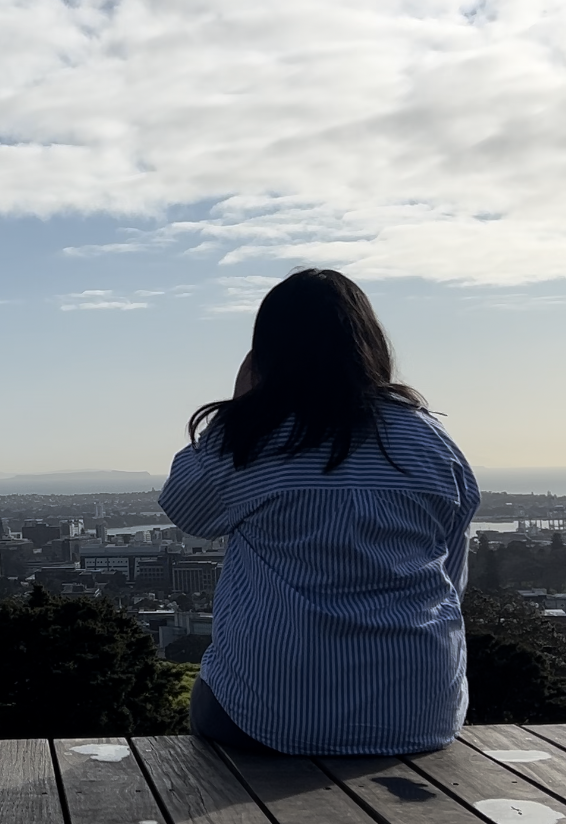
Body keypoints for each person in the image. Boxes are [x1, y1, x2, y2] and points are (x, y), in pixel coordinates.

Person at [159, 268, 479, 756]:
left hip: (270, 717)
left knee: (210, 697)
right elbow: (450, 582)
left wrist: (243, 405)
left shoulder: (254, 440)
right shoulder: (430, 443)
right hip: (422, 713)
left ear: (265, 353)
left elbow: (186, 507)